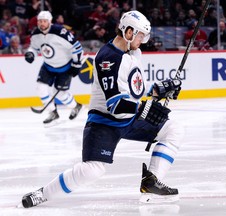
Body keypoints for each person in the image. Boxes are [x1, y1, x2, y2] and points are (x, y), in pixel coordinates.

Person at [21, 10, 183, 207]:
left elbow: (133, 87)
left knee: (173, 129)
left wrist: (158, 89)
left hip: (130, 117)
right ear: (129, 33)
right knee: (93, 170)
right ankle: (42, 194)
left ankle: (151, 182)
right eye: (140, 35)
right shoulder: (108, 59)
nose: (143, 40)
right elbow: (115, 104)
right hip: (104, 122)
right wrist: (147, 104)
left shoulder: (132, 52)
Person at [24, 11, 83, 125]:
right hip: (48, 66)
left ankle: (76, 106)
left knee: (60, 94)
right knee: (40, 88)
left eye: (44, 21)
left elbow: (76, 47)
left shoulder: (60, 32)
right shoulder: (35, 33)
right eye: (40, 21)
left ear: (50, 22)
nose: (42, 23)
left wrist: (76, 64)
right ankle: (53, 112)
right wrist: (31, 53)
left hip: (65, 67)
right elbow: (34, 47)